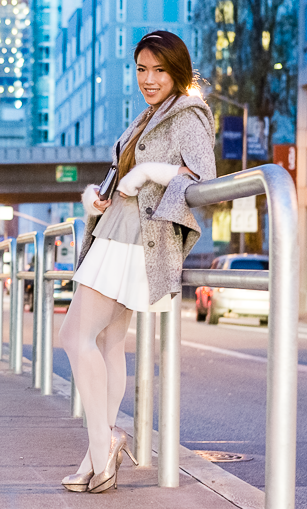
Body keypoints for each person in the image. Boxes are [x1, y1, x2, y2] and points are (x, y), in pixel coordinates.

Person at [58, 31, 216, 493]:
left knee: (74, 336)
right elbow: (123, 176)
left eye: (159, 70)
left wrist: (146, 173)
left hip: (135, 239)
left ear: (177, 72)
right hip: (116, 229)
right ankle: (95, 454)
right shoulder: (150, 115)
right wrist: (101, 196)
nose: (148, 79)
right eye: (142, 69)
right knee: (107, 343)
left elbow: (202, 177)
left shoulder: (188, 113)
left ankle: (104, 442)